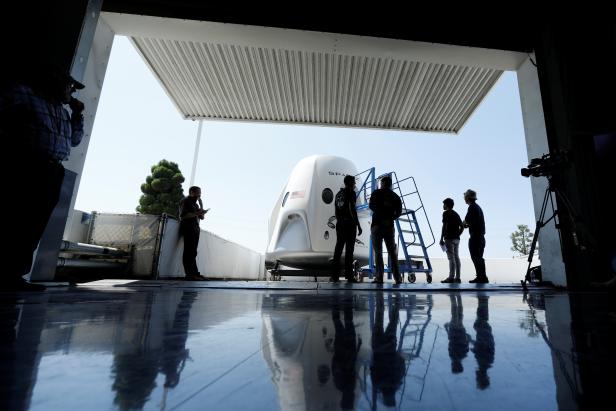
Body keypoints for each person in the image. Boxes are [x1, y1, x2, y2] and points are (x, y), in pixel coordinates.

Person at [0, 65, 85, 291]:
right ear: (55, 82)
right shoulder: (26, 96)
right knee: (15, 219)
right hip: (27, 165)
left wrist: (78, 115)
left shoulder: (64, 112)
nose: (72, 92)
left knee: (34, 223)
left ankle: (14, 274)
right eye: (70, 86)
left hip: (52, 171)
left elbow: (75, 141)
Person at [369, 175, 402, 284]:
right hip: (389, 226)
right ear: (390, 185)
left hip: (377, 226)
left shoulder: (376, 193)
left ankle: (379, 278)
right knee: (392, 253)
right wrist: (391, 217)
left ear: (382, 183)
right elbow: (399, 212)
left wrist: (380, 213)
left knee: (378, 253)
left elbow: (371, 206)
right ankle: (398, 278)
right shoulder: (395, 197)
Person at [331, 175, 362, 283]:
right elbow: (352, 209)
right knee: (349, 251)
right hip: (349, 225)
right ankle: (349, 276)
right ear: (349, 183)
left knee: (338, 250)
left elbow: (336, 210)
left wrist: (340, 221)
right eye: (353, 182)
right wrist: (358, 224)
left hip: (340, 224)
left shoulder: (338, 195)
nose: (355, 185)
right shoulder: (351, 193)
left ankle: (334, 276)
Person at [178, 186, 208, 280]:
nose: (200, 194)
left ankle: (195, 273)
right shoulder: (185, 201)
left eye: (200, 192)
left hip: (195, 229)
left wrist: (202, 208)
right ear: (192, 192)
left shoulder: (196, 204)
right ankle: (190, 275)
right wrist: (197, 213)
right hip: (188, 229)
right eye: (198, 192)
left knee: (193, 252)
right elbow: (183, 216)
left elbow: (201, 218)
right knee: (188, 252)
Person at [463, 189, 489, 283]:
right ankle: (482, 277)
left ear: (468, 197)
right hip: (481, 237)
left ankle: (481, 277)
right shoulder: (477, 207)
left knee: (476, 257)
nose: (464, 198)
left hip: (475, 237)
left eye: (465, 196)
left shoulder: (472, 207)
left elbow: (465, 222)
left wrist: (460, 229)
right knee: (479, 257)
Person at [440, 198, 464, 283]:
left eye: (444, 204)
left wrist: (441, 238)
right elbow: (462, 226)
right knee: (456, 257)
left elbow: (444, 226)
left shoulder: (446, 213)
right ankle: (458, 277)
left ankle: (451, 277)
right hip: (457, 239)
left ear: (446, 205)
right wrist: (458, 234)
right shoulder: (456, 214)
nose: (443, 206)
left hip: (449, 238)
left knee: (451, 258)